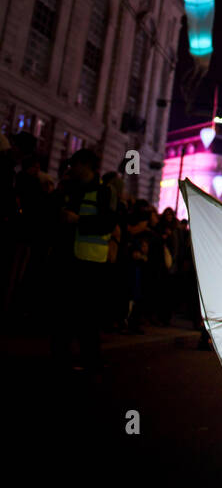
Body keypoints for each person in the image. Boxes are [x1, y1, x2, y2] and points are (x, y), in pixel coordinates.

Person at [49, 148, 117, 374]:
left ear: (87, 166)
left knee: (87, 315)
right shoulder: (69, 188)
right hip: (67, 258)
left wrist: (78, 220)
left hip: (90, 262)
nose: (72, 168)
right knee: (64, 313)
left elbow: (107, 224)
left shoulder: (103, 192)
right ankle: (62, 358)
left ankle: (90, 359)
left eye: (75, 164)